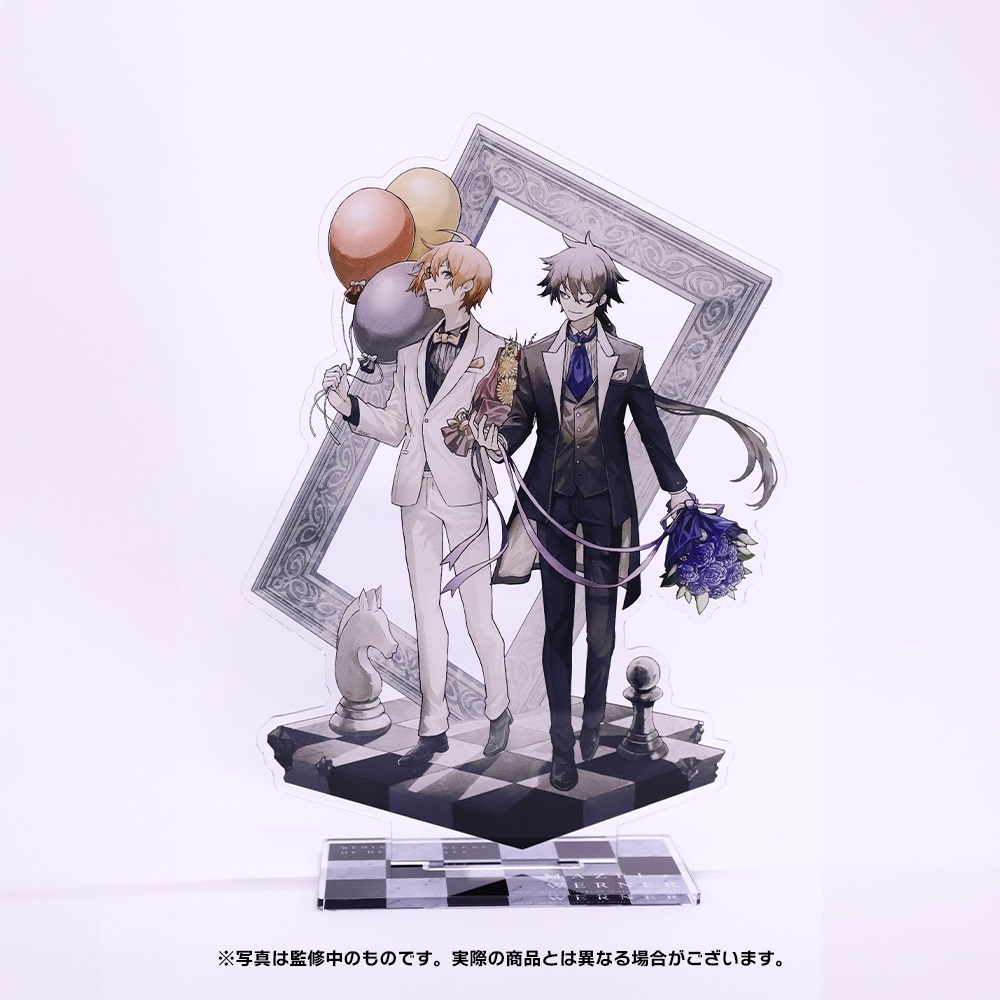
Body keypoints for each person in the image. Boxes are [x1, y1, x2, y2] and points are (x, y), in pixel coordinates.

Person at [472, 233, 692, 791]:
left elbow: (650, 427)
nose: (575, 299)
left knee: (601, 631)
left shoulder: (628, 358)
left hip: (606, 505)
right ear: (556, 292)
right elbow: (520, 420)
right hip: (551, 502)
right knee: (556, 628)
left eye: (585, 291)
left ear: (601, 295)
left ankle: (593, 720)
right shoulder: (533, 357)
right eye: (567, 290)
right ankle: (560, 745)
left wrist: (676, 489)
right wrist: (499, 443)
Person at [324, 234, 512, 766]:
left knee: (478, 614)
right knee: (426, 612)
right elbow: (397, 426)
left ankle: (499, 709)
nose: (429, 284)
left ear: (468, 287)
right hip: (415, 492)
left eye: (442, 277)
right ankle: (433, 729)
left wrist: (490, 439)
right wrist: (347, 404)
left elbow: (505, 428)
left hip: (466, 494)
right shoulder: (409, 354)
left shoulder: (499, 351)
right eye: (430, 275)